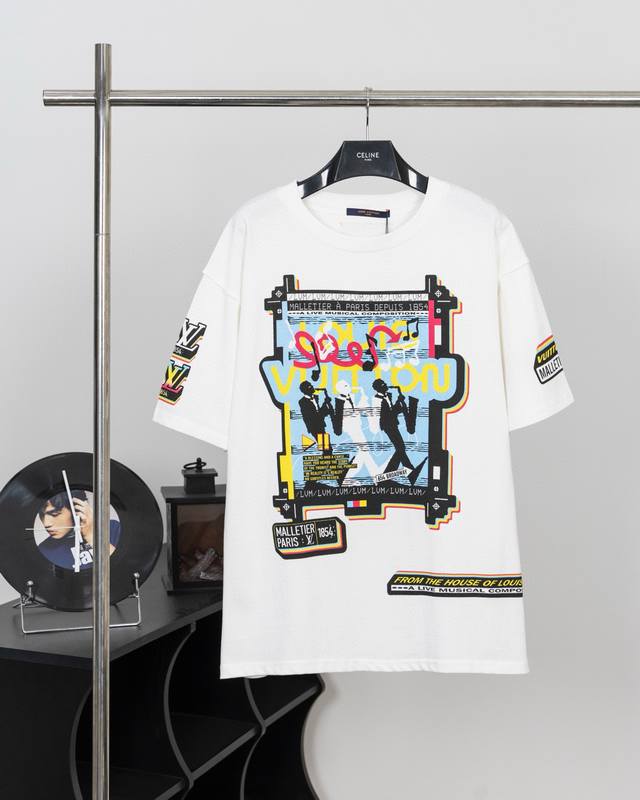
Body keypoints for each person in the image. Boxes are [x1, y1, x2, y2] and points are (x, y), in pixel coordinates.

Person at [37, 489, 121, 570]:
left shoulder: (112, 528)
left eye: (54, 514)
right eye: (41, 514)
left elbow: (122, 569)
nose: (46, 523)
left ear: (78, 509)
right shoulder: (45, 550)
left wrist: (91, 536)